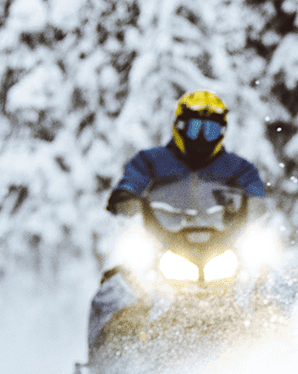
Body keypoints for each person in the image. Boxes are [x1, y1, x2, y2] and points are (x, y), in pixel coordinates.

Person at [87, 90, 266, 350]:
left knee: (269, 288)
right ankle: (104, 363)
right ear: (179, 126)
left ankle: (281, 356)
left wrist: (257, 207)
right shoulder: (150, 162)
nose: (202, 137)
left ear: (223, 131)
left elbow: (255, 194)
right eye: (195, 128)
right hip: (163, 247)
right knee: (114, 291)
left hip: (222, 247)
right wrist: (127, 199)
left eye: (211, 130)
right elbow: (129, 185)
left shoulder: (238, 168)